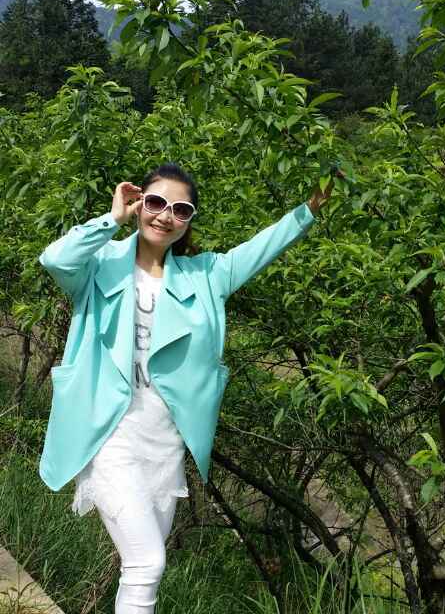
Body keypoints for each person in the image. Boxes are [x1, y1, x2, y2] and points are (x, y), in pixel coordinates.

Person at [38, 163, 333, 613]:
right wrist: (112, 219)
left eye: (180, 209)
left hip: (165, 443)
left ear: (189, 219)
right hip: (108, 434)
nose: (165, 216)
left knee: (140, 570)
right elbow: (55, 259)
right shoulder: (100, 264)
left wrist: (310, 207)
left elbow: (263, 246)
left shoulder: (206, 275)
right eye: (156, 202)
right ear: (139, 203)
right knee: (147, 562)